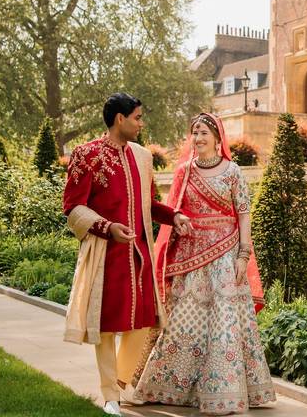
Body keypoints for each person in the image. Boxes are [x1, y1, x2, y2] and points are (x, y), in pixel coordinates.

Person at [130, 112, 275, 415]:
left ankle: (223, 393)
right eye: (194, 133)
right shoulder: (184, 171)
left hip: (225, 256)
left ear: (218, 138)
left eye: (204, 133)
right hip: (190, 257)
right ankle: (165, 387)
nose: (198, 139)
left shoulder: (232, 171)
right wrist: (179, 225)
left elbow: (244, 213)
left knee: (224, 324)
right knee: (183, 323)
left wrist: (243, 255)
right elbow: (172, 213)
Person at [62, 93, 192, 416]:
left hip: (139, 256)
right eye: (137, 117)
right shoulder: (86, 155)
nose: (141, 123)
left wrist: (173, 216)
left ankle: (118, 381)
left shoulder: (142, 157)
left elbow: (148, 205)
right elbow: (73, 207)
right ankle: (110, 397)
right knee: (105, 328)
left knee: (145, 321)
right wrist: (107, 228)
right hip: (106, 254)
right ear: (120, 119)